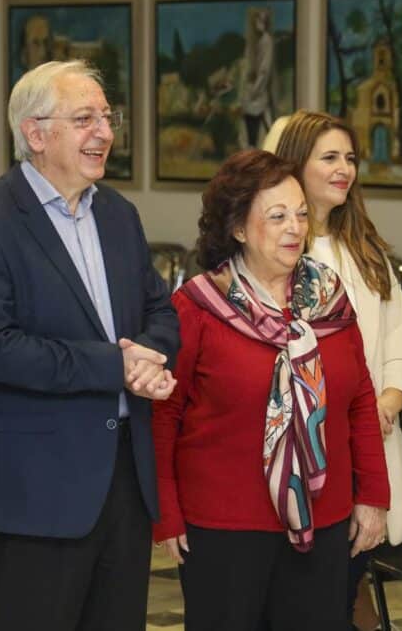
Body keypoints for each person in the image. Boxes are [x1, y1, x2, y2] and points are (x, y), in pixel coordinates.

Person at [0, 60, 180, 631]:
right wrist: (116, 365)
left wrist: (148, 360)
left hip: (123, 480)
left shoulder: (118, 214)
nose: (105, 132)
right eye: (84, 119)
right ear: (35, 133)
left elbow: (159, 309)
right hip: (36, 490)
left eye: (107, 117)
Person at [152, 149, 389, 631]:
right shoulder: (198, 306)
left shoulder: (329, 297)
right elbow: (163, 415)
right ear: (238, 228)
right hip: (224, 528)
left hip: (324, 520)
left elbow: (361, 398)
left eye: (300, 214)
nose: (295, 228)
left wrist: (373, 494)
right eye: (277, 216)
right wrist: (166, 513)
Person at [274, 110, 402, 630]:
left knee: (349, 574)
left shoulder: (366, 250)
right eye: (330, 158)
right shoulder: (279, 249)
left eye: (350, 158)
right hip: (310, 449)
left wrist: (389, 399)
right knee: (308, 596)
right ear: (296, 163)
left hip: (371, 440)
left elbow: (399, 335)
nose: (344, 169)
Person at [241, 8, 276, 149]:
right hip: (256, 89)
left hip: (259, 90)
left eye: (260, 21)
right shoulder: (260, 41)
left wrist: (254, 90)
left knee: (259, 120)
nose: (257, 24)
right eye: (256, 20)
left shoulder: (266, 41)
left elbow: (264, 70)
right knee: (261, 123)